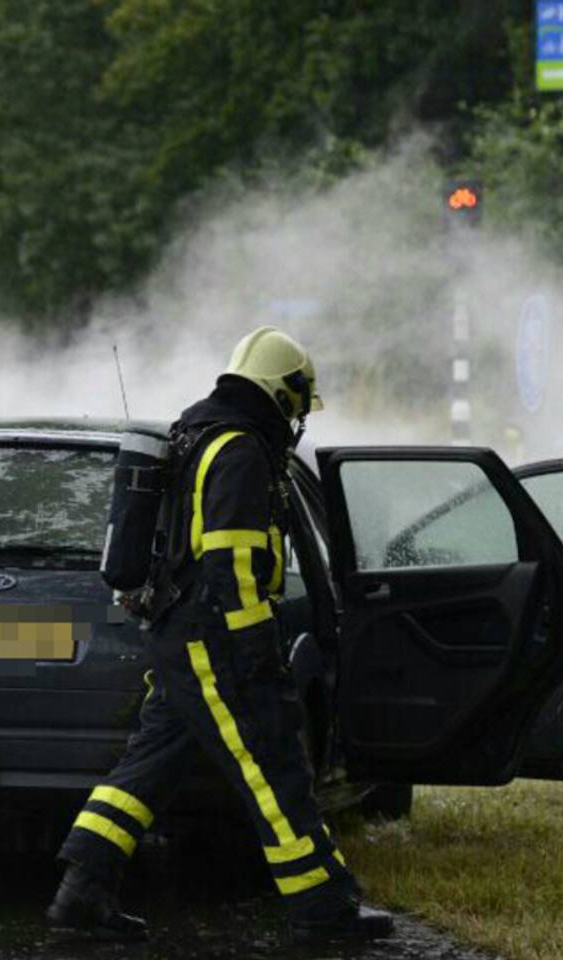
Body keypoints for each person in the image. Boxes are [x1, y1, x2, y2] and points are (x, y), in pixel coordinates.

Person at [46, 327, 393, 945]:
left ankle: (82, 891)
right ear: (281, 392)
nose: (297, 418)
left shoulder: (199, 434)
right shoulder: (238, 449)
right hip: (217, 644)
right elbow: (231, 558)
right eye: (297, 402)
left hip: (183, 636)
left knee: (147, 767)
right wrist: (256, 650)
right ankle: (324, 909)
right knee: (274, 765)